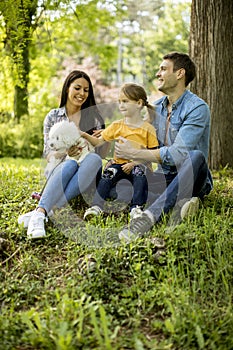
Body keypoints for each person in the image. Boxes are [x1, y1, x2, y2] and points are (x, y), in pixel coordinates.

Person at [116, 52, 213, 242]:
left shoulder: (197, 108)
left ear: (179, 74)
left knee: (196, 156)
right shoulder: (156, 107)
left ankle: (149, 217)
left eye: (163, 69)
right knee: (118, 184)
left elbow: (178, 154)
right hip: (164, 177)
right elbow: (144, 141)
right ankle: (180, 202)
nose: (157, 74)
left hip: (192, 177)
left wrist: (135, 152)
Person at [18, 70, 105, 239]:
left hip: (85, 173)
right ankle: (43, 212)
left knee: (94, 159)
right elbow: (48, 154)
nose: (81, 94)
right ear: (67, 89)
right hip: (59, 169)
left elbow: (100, 151)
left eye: (86, 90)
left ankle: (41, 210)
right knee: (70, 164)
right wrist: (66, 153)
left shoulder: (93, 118)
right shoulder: (53, 117)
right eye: (77, 88)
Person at [81, 83, 159, 220]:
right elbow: (98, 142)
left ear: (139, 103)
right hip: (119, 165)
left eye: (125, 101)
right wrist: (83, 135)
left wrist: (134, 163)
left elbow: (153, 155)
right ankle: (96, 206)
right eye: (119, 102)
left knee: (139, 172)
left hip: (139, 165)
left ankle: (136, 208)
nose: (121, 105)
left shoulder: (148, 129)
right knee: (108, 173)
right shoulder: (117, 125)